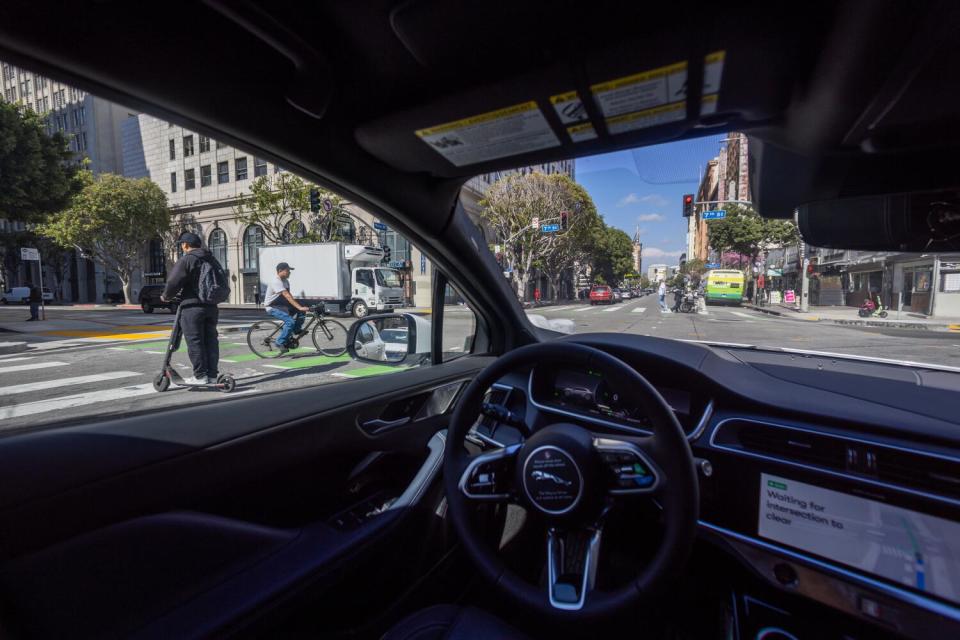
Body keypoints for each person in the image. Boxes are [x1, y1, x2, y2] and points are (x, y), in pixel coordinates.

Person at [161, 232, 223, 385]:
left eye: (182, 244)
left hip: (191, 307)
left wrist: (166, 296)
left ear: (185, 245)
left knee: (195, 341)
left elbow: (173, 283)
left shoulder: (188, 259)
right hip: (211, 306)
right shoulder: (212, 259)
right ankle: (212, 375)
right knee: (211, 341)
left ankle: (200, 376)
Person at [263, 262, 310, 355]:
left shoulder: (286, 281)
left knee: (302, 310)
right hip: (272, 307)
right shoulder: (276, 281)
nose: (290, 273)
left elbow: (289, 296)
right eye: (288, 271)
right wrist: (299, 307)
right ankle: (279, 342)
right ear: (280, 271)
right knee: (290, 321)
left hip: (281, 305)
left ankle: (296, 329)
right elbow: (286, 295)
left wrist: (300, 307)